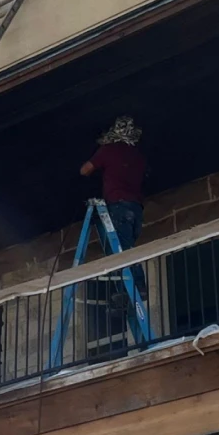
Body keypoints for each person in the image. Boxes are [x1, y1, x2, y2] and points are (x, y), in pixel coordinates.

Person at [80, 115, 148, 298]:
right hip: (136, 209)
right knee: (125, 245)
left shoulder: (109, 150)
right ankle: (129, 290)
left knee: (119, 250)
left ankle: (134, 288)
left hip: (118, 205)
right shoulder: (137, 155)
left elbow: (85, 170)